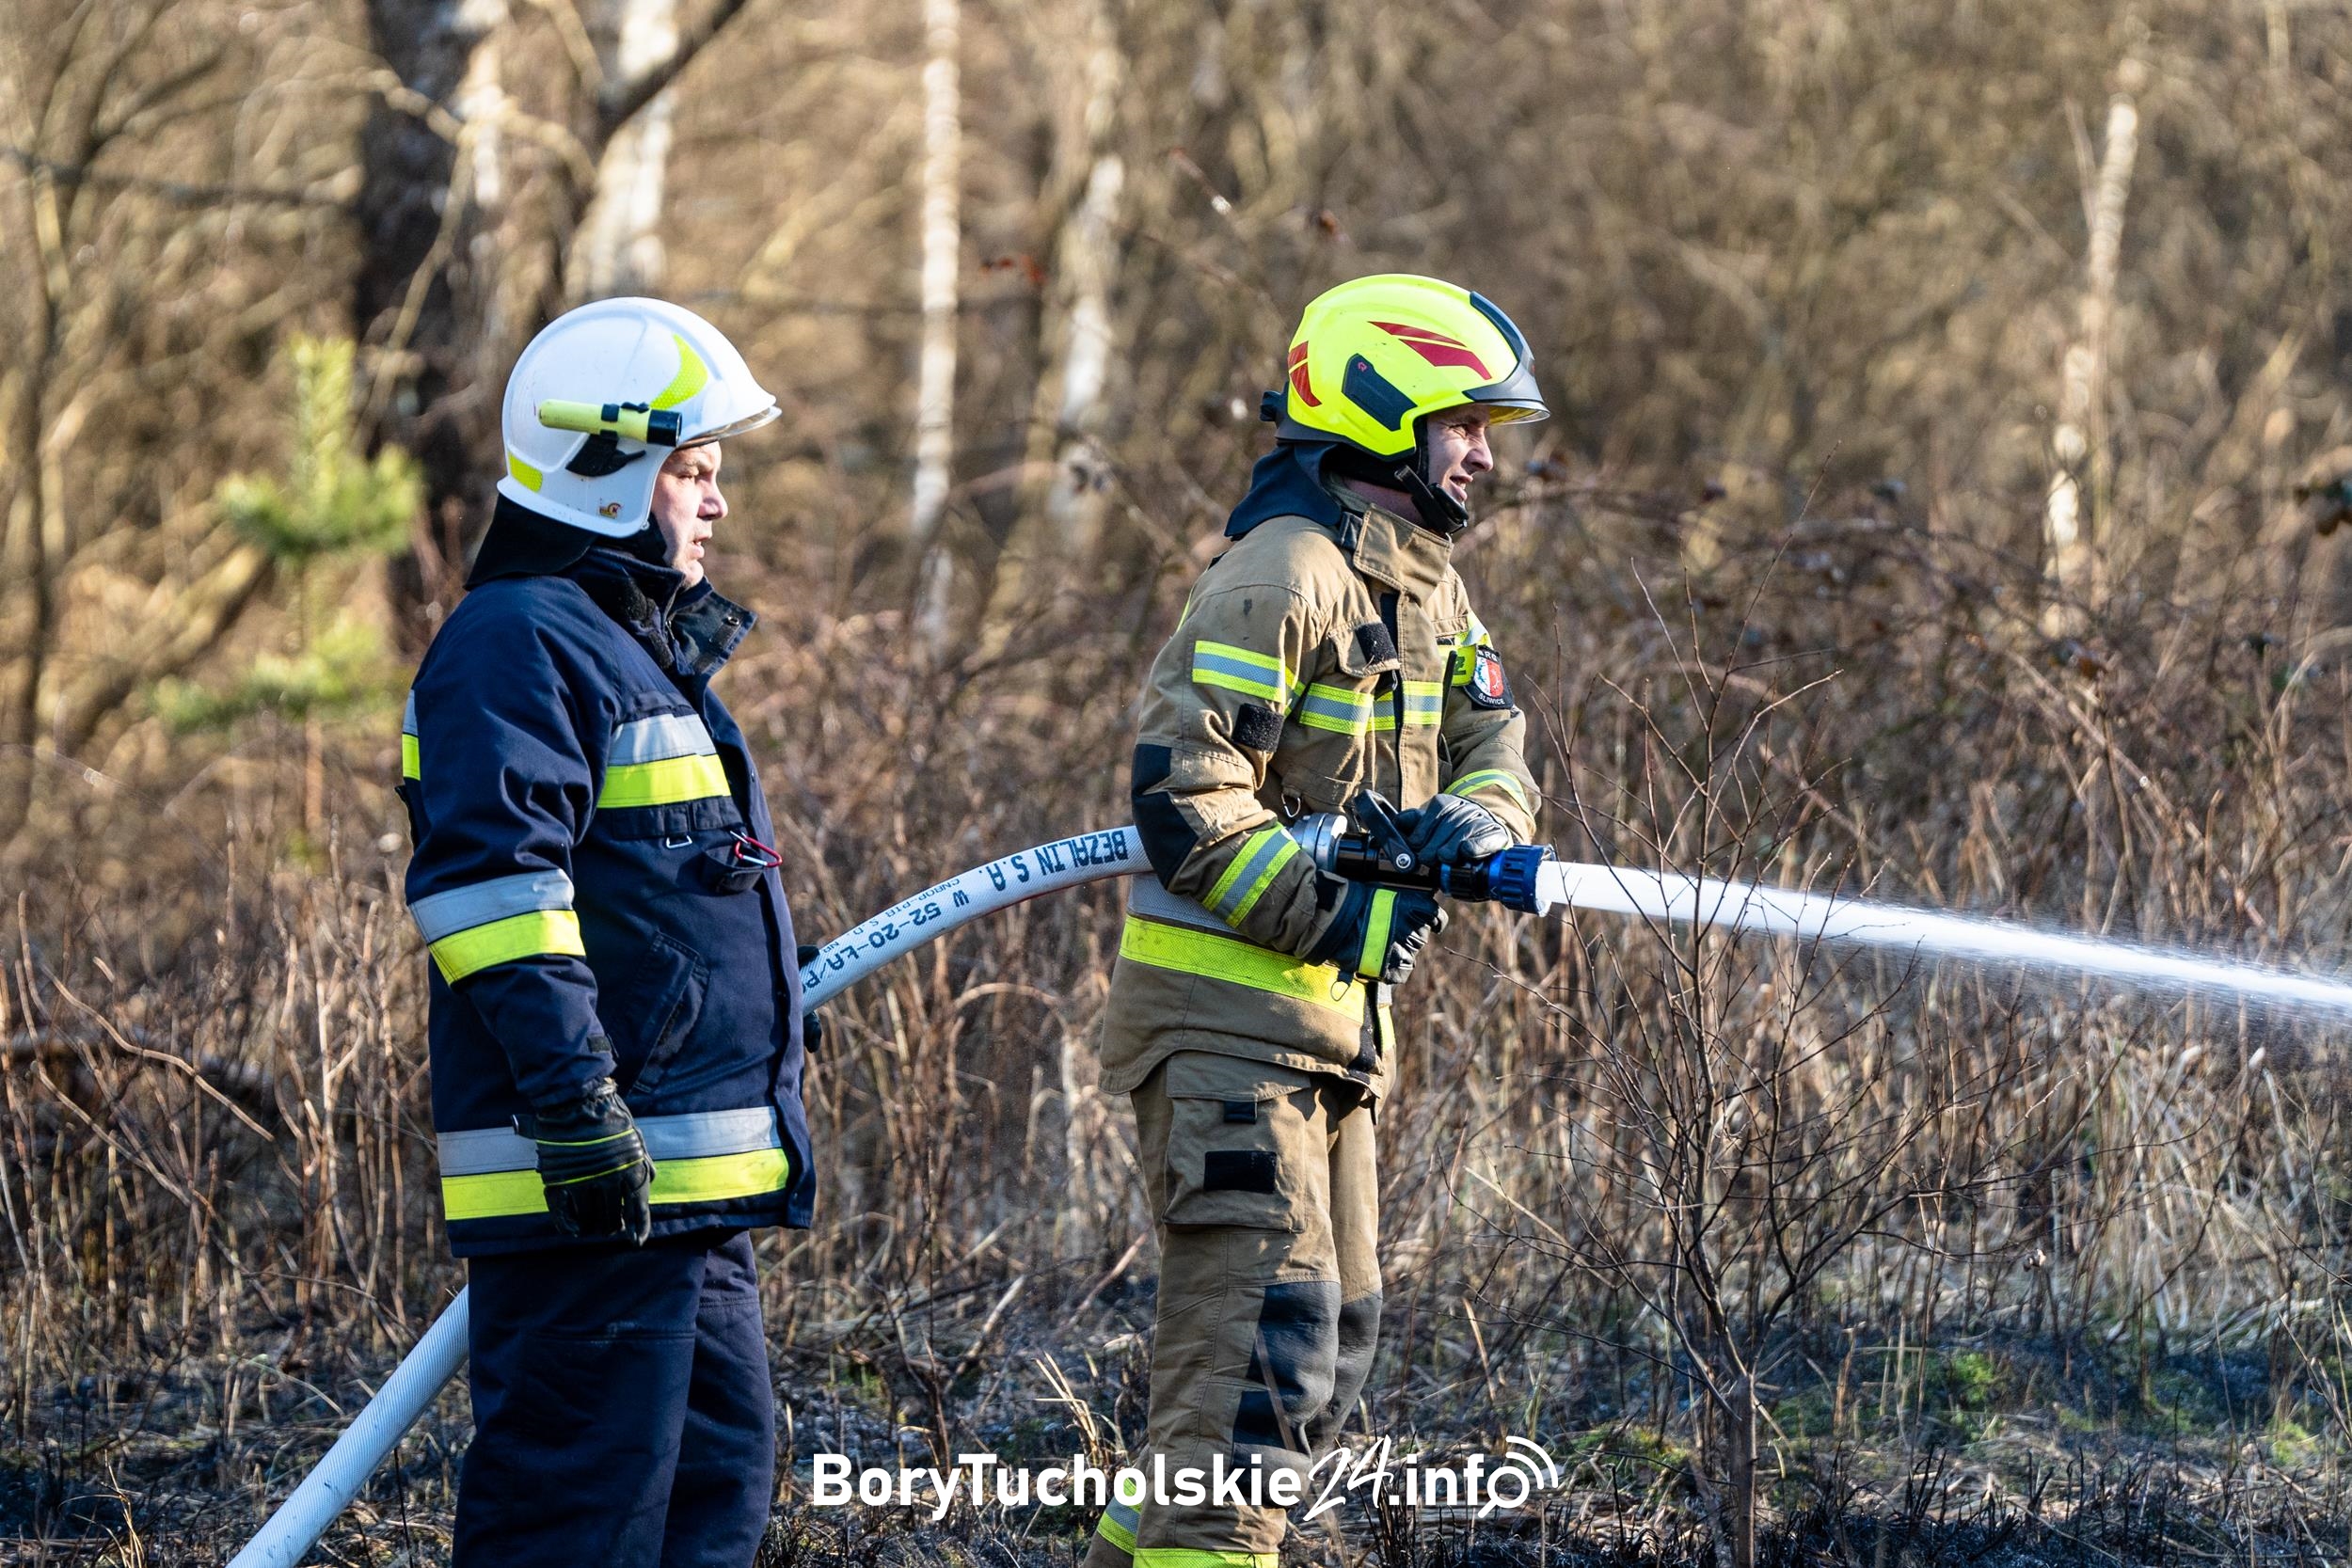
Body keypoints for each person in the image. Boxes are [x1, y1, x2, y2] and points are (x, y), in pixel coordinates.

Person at [1088, 274, 1547, 1566]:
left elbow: (1490, 730)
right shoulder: (1280, 576)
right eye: (1465, 420)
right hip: (1228, 1028)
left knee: (1323, 1347)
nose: (1484, 451)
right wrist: (1335, 917)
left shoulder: (1426, 589)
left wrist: (1485, 822)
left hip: (1328, 1038)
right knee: (1256, 1368)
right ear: (1387, 410)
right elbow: (1186, 796)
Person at [398, 297, 810, 1566]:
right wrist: (579, 1112)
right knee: (575, 1524)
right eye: (691, 471)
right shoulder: (515, 645)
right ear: (607, 471)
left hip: (683, 1201)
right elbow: (492, 891)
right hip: (594, 1192)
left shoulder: (624, 649)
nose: (715, 503)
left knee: (709, 1503)